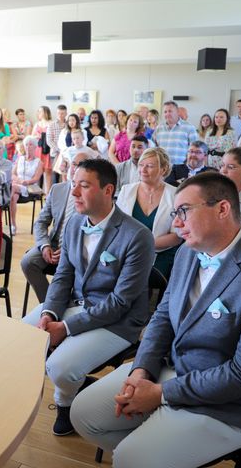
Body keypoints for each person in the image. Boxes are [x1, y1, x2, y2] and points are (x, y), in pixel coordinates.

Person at [71, 172, 241, 468]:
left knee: (130, 457)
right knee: (83, 414)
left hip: (236, 400)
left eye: (184, 211)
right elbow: (162, 317)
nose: (176, 223)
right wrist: (141, 371)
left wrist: (161, 394)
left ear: (222, 209)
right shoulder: (187, 252)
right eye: (175, 213)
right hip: (174, 368)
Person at [23, 158, 155, 436]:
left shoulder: (137, 235)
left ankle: (66, 403)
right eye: (74, 185)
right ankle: (80, 384)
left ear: (108, 191)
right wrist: (50, 314)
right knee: (22, 338)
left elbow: (121, 302)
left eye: (84, 186)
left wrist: (66, 328)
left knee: (59, 367)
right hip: (75, 305)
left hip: (118, 321)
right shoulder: (74, 223)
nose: (74, 193)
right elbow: (62, 277)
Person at [20, 154, 90, 304]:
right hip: (53, 244)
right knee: (28, 262)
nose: (75, 168)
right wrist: (44, 246)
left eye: (81, 165)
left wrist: (67, 250)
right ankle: (49, 305)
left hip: (78, 249)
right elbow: (41, 222)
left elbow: (93, 230)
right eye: (73, 164)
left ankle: (69, 305)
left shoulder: (90, 194)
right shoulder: (57, 189)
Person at [117, 147, 182, 279]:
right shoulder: (126, 190)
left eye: (150, 166)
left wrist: (143, 245)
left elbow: (177, 236)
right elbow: (116, 225)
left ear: (163, 169)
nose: (143, 170)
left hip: (162, 252)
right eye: (141, 165)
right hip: (127, 250)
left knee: (145, 276)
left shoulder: (175, 195)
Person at [10, 136, 44, 233]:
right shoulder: (19, 159)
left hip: (29, 188)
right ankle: (13, 224)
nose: (28, 147)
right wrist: (19, 180)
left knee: (12, 188)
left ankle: (5, 209)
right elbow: (12, 174)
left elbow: (36, 178)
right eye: (26, 145)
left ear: (35, 147)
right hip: (17, 187)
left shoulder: (39, 162)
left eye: (30, 145)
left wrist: (26, 182)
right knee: (13, 197)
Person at [152, 100, 199, 165]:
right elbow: (153, 146)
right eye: (165, 112)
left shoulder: (189, 128)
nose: (167, 114)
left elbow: (195, 149)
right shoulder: (159, 128)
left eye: (170, 111)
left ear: (177, 112)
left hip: (180, 167)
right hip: (161, 167)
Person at [32, 105, 54, 194]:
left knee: (47, 171)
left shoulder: (51, 123)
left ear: (45, 112)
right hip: (38, 148)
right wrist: (37, 136)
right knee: (36, 171)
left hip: (47, 149)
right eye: (38, 111)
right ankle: (36, 192)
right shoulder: (37, 124)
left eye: (40, 111)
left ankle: (47, 193)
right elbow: (32, 136)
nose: (39, 113)